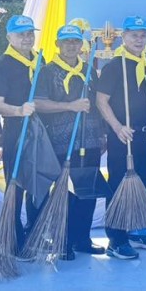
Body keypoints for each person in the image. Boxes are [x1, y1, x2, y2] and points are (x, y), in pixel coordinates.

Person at [34, 25, 107, 259]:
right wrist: (70, 106)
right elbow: (38, 103)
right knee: (66, 194)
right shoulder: (47, 71)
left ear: (81, 44)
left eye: (75, 41)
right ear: (58, 44)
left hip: (90, 139)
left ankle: (82, 238)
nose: (71, 45)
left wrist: (102, 133)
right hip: (61, 142)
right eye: (66, 41)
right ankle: (62, 240)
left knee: (88, 192)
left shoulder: (88, 70)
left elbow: (97, 104)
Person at [96, 16, 146, 260]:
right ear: (124, 37)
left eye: (143, 35)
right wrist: (117, 127)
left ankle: (136, 231)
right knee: (119, 187)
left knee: (143, 186)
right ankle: (116, 240)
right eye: (134, 35)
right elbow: (101, 101)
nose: (139, 40)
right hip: (123, 137)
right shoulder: (114, 66)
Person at [0, 15, 39, 254]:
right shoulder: (3, 65)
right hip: (16, 131)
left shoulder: (39, 59)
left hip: (39, 132)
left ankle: (35, 232)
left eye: (30, 33)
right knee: (16, 185)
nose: (27, 38)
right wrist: (19, 110)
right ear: (9, 37)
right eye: (21, 34)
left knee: (37, 185)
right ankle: (14, 238)